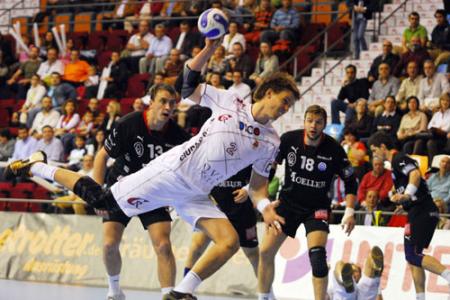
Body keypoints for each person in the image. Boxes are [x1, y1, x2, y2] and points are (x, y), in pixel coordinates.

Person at [5, 38, 300, 300]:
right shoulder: (230, 100)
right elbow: (186, 85)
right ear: (269, 92)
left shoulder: (272, 141)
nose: (285, 109)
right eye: (284, 101)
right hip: (172, 173)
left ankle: (180, 292)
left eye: (289, 106)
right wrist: (209, 48)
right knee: (103, 202)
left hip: (197, 193)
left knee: (229, 241)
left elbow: (259, 186)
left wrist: (265, 207)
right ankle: (39, 166)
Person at [92, 83, 191, 299]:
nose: (168, 106)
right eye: (163, 101)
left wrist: (174, 197)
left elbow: (185, 172)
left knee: (164, 245)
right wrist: (98, 196)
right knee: (109, 244)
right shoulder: (129, 123)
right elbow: (101, 157)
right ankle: (115, 291)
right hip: (120, 187)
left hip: (153, 194)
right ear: (151, 102)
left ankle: (168, 295)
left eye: (172, 103)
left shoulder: (178, 137)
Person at [258, 105, 358, 300]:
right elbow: (268, 169)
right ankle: (265, 297)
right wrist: (257, 194)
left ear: (324, 125)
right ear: (304, 122)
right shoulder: (288, 140)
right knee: (265, 251)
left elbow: (351, 181)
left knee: (318, 257)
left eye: (318, 122)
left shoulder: (334, 149)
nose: (313, 126)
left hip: (317, 208)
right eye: (310, 121)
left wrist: (350, 211)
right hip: (287, 205)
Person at [368, 131, 450, 300]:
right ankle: (420, 297)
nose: (373, 154)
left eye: (375, 150)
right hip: (419, 210)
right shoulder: (395, 164)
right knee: (413, 258)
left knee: (412, 255)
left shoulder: (398, 158)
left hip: (423, 211)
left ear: (383, 147)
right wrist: (405, 204)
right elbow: (415, 188)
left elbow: (415, 174)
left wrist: (406, 195)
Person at [184, 166, 260, 279]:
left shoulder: (250, 153)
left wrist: (247, 189)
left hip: (242, 213)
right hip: (213, 210)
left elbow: (264, 175)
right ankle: (183, 290)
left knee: (253, 254)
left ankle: (266, 294)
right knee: (196, 246)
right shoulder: (211, 154)